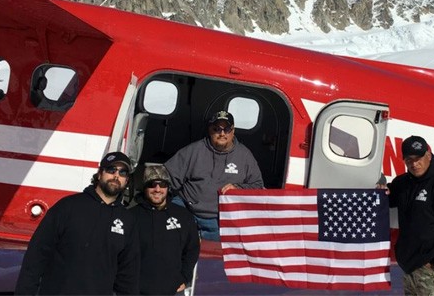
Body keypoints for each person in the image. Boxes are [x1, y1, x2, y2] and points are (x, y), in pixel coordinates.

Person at [14, 152, 139, 295]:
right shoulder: (68, 207)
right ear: (99, 174)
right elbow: (36, 257)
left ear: (127, 180)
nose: (116, 176)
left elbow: (128, 274)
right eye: (111, 170)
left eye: (123, 172)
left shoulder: (127, 220)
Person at [378, 135, 434, 296]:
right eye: (409, 159)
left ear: (428, 155)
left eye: (418, 158)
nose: (414, 164)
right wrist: (380, 187)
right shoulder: (403, 183)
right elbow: (388, 198)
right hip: (410, 270)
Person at [165, 110, 264, 240]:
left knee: (214, 256)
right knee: (167, 235)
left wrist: (238, 188)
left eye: (227, 129)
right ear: (210, 130)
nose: (222, 133)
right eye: (216, 129)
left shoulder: (245, 156)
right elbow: (167, 176)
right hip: (187, 209)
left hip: (218, 219)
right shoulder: (194, 150)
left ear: (233, 130)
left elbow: (258, 186)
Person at [131, 165, 200, 295]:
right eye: (152, 184)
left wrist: (185, 277)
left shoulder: (183, 216)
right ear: (144, 187)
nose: (157, 189)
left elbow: (192, 249)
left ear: (168, 187)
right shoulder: (131, 216)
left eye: (162, 184)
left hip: (172, 291)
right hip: (137, 291)